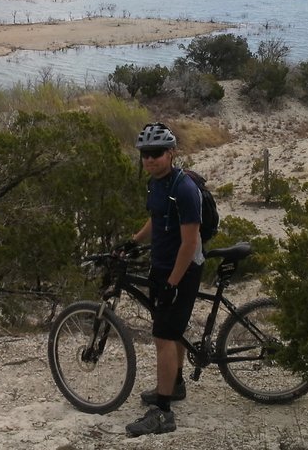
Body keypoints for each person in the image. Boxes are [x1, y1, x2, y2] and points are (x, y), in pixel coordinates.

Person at [125, 122, 205, 437]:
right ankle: (177, 384)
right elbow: (156, 219)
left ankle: (163, 412)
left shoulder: (184, 189)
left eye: (156, 153)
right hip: (163, 266)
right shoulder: (156, 184)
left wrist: (172, 283)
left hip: (182, 269)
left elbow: (189, 243)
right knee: (172, 332)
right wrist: (133, 241)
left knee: (163, 337)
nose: (149, 159)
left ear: (170, 152)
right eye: (145, 153)